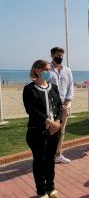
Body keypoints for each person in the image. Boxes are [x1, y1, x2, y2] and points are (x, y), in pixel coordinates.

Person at [23, 60, 62, 198]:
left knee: (50, 160)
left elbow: (59, 107)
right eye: (46, 69)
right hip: (37, 132)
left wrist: (56, 122)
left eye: (49, 69)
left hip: (54, 131)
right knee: (39, 161)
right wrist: (49, 122)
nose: (49, 71)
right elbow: (31, 110)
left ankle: (50, 188)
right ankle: (41, 191)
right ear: (37, 70)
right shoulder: (29, 89)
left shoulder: (54, 87)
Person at [49, 47, 74, 164]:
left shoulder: (67, 70)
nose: (60, 57)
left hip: (65, 106)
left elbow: (70, 86)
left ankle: (58, 154)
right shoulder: (47, 70)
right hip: (51, 106)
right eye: (58, 55)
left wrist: (67, 101)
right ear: (52, 55)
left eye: (62, 56)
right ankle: (48, 155)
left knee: (61, 131)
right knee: (50, 130)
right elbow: (43, 86)